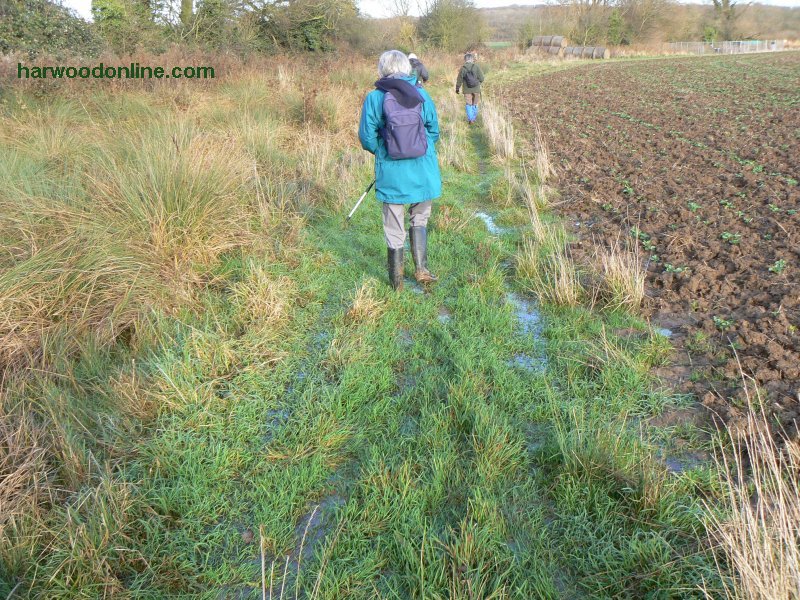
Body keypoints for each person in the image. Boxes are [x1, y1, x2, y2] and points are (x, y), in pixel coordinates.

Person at [358, 50, 441, 291]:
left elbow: (366, 137)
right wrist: (419, 149)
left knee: (394, 226)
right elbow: (433, 131)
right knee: (420, 217)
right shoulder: (422, 94)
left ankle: (396, 283)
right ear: (407, 68)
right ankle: (422, 270)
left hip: (392, 172)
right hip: (423, 170)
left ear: (382, 69)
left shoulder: (374, 98)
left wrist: (384, 152)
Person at [455, 52, 484, 124]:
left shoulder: (463, 68)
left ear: (465, 59)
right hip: (476, 89)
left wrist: (457, 88)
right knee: (475, 104)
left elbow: (459, 80)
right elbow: (482, 78)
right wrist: (477, 82)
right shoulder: (476, 66)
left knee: (468, 104)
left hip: (467, 90)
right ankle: (474, 118)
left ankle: (470, 119)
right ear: (472, 59)